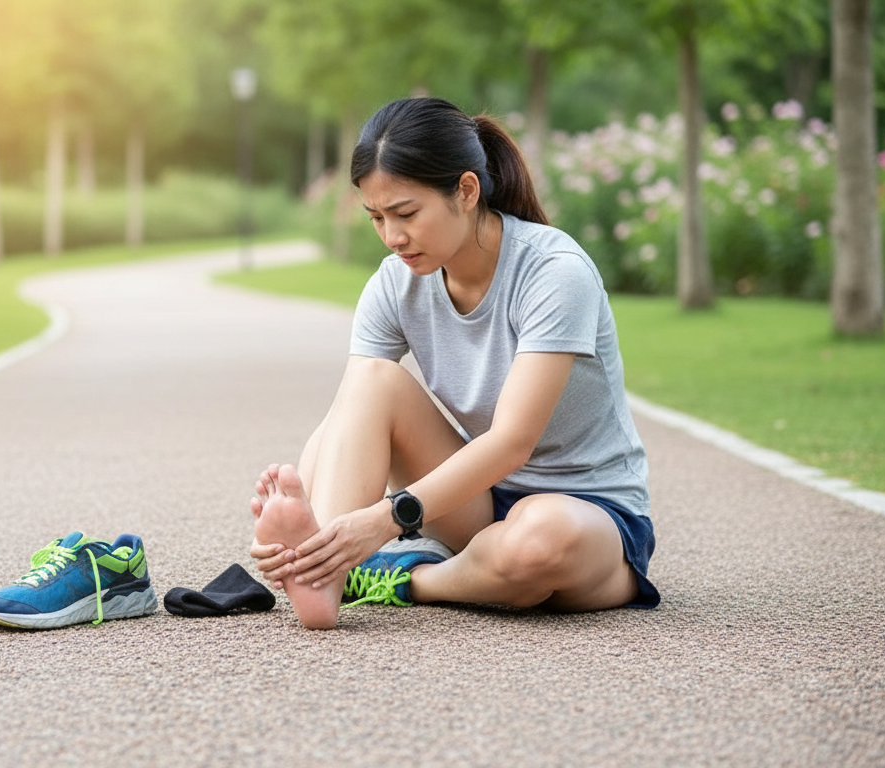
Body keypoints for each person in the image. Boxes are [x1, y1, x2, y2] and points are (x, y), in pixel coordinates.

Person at [249, 97, 659, 630]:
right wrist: (311, 519)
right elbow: (349, 414)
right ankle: (323, 572)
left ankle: (398, 576)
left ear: (466, 191)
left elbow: (514, 442)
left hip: (589, 517)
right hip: (478, 501)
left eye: (406, 213)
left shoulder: (554, 272)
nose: (393, 237)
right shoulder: (394, 283)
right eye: (376, 218)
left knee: (537, 543)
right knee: (375, 379)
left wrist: (381, 523)